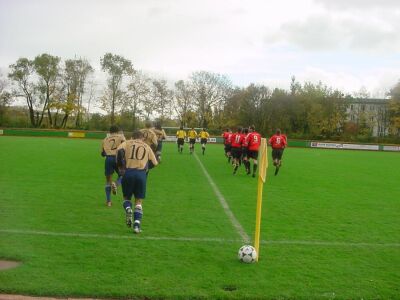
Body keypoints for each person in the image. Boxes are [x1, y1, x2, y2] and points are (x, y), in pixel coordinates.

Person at [116, 130, 158, 234]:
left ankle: (128, 209)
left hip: (128, 172)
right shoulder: (146, 146)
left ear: (132, 137)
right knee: (139, 201)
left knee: (126, 198)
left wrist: (121, 166)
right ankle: (136, 226)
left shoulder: (126, 143)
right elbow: (155, 163)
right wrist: (146, 169)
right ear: (142, 138)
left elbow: (119, 152)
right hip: (141, 174)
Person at [101, 125, 126, 206]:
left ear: (110, 132)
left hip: (108, 159)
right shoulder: (121, 136)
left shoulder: (105, 139)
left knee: (108, 180)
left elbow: (102, 153)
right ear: (117, 131)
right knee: (123, 175)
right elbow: (125, 146)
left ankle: (108, 201)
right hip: (118, 158)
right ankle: (116, 183)